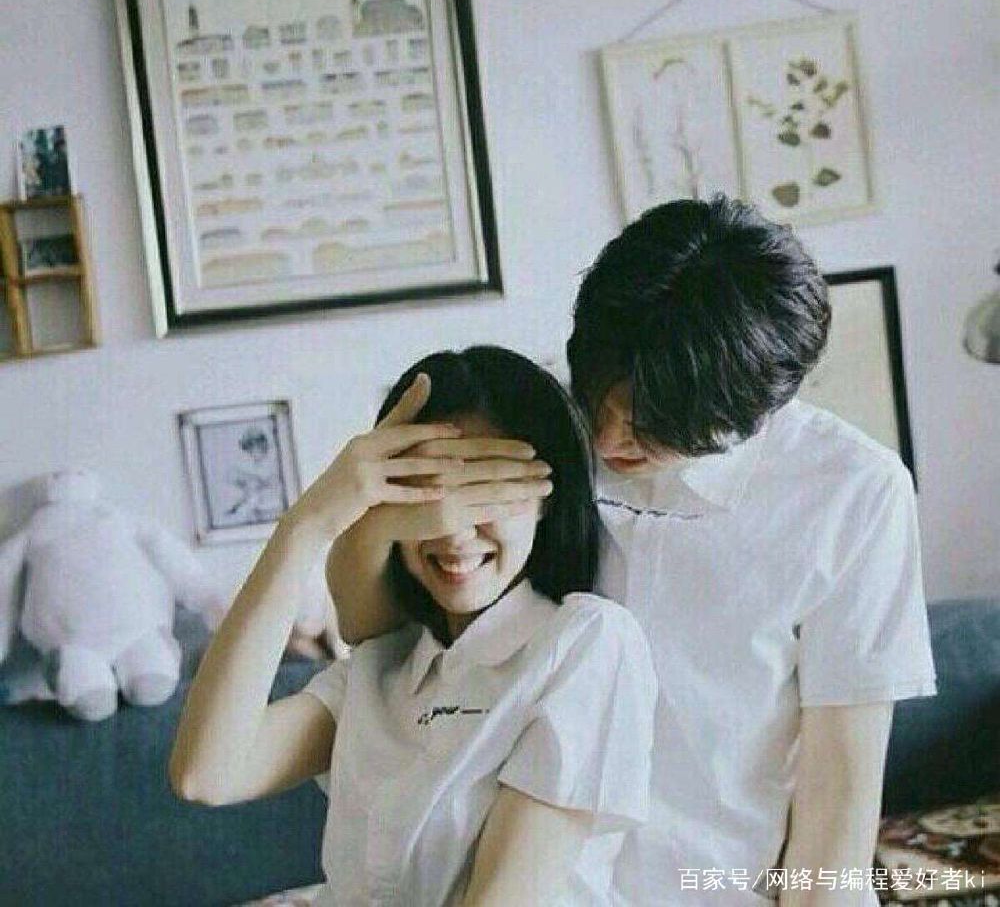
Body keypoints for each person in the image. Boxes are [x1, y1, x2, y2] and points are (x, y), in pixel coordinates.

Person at [330, 196, 937, 906]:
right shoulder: (540, 425)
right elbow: (381, 632)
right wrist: (358, 507)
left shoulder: (852, 493)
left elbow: (838, 798)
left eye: (653, 422)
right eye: (599, 396)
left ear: (753, 412)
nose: (607, 437)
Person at [169, 346, 657, 907]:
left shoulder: (586, 642)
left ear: (546, 499)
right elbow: (205, 775)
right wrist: (307, 525)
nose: (453, 531)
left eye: (482, 492)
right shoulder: (382, 667)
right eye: (425, 492)